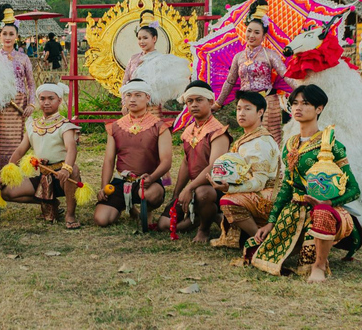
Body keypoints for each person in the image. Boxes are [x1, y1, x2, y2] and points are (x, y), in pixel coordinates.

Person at [247, 85, 360, 281]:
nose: (298, 107)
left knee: (322, 215)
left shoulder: (331, 144)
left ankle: (319, 266)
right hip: (294, 210)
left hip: (326, 210)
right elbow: (287, 187)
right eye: (295, 103)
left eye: (306, 103)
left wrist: (329, 204)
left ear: (319, 109)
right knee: (253, 250)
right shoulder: (290, 144)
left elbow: (354, 189)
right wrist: (271, 222)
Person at [212, 0, 297, 143]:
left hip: (268, 103)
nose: (251, 35)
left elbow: (285, 75)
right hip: (246, 103)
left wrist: (302, 90)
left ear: (264, 36)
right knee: (250, 139)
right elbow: (230, 81)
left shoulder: (270, 55)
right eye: (249, 31)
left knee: (270, 139)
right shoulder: (238, 57)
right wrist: (218, 103)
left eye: (256, 32)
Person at [157, 81, 231, 242]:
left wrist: (189, 187)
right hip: (195, 187)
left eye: (199, 100)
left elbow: (213, 167)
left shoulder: (218, 131)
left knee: (204, 193)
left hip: (216, 189)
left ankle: (204, 229)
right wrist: (177, 194)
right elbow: (186, 162)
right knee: (164, 224)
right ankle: (201, 218)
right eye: (190, 101)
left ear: (211, 102)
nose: (194, 105)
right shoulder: (190, 129)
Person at [2, 83, 82, 228]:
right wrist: (8, 171)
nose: (46, 102)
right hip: (43, 176)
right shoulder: (33, 125)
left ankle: (70, 214)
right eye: (42, 98)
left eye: (51, 98)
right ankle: (50, 202)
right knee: (7, 192)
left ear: (59, 101)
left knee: (74, 171)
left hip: (61, 177)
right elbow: (20, 150)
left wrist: (66, 168)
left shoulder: (65, 125)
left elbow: (71, 148)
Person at [207, 91, 281, 248]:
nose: (241, 113)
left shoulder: (260, 143)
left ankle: (260, 241)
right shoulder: (248, 138)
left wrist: (231, 188)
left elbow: (260, 182)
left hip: (271, 192)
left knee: (228, 200)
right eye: (239, 108)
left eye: (247, 109)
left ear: (260, 112)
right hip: (256, 189)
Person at [95, 79, 172, 228]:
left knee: (153, 195)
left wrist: (152, 178)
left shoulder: (159, 126)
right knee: (101, 219)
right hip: (121, 180)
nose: (132, 99)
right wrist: (104, 187)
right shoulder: (115, 126)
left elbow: (166, 161)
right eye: (128, 95)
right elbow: (109, 161)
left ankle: (147, 210)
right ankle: (127, 206)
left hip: (147, 180)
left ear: (147, 98)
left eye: (138, 95)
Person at [0, 4, 37, 179]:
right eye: (5, 34)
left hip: (19, 107)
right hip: (0, 107)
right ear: (0, 35)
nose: (8, 37)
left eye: (11, 34)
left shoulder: (23, 58)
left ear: (17, 36)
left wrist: (31, 103)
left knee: (17, 141)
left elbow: (31, 84)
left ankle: (16, 177)